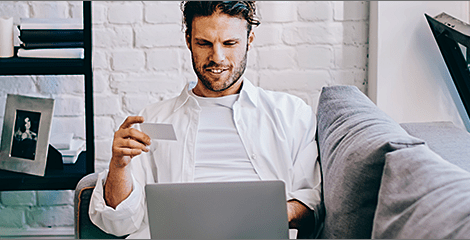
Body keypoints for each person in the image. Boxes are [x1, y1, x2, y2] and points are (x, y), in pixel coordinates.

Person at [89, 1, 322, 238]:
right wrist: (118, 165)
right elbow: (118, 222)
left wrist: (279, 212)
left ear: (249, 40)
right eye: (204, 43)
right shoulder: (153, 119)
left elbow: (313, 202)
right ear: (188, 40)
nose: (217, 57)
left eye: (230, 43)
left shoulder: (290, 114)